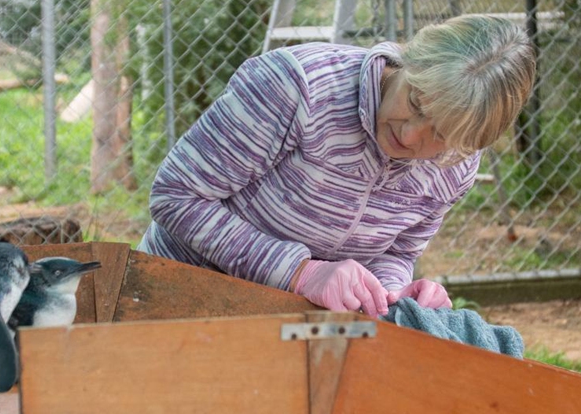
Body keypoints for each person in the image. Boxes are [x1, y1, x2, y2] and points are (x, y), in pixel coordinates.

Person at [137, 14, 536, 318]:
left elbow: (397, 252)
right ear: (408, 61)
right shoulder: (298, 85)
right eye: (415, 103)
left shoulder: (455, 163)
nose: (412, 137)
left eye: (442, 134)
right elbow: (177, 196)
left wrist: (393, 294)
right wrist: (300, 273)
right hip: (177, 295)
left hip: (301, 327)